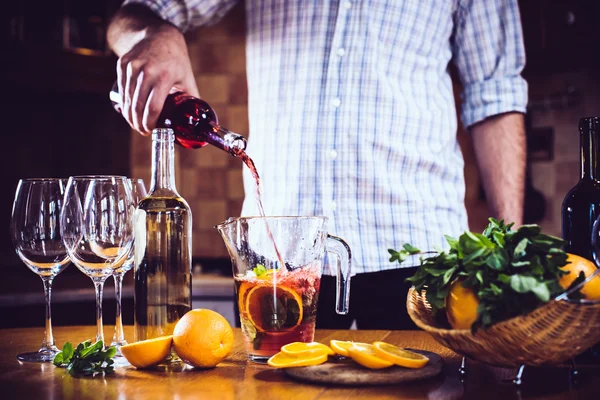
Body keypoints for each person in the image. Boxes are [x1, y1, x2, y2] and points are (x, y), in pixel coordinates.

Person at [107, 1, 527, 330]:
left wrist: (506, 258)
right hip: (277, 265)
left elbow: (497, 94)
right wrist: (153, 32)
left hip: (423, 262)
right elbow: (134, 13)